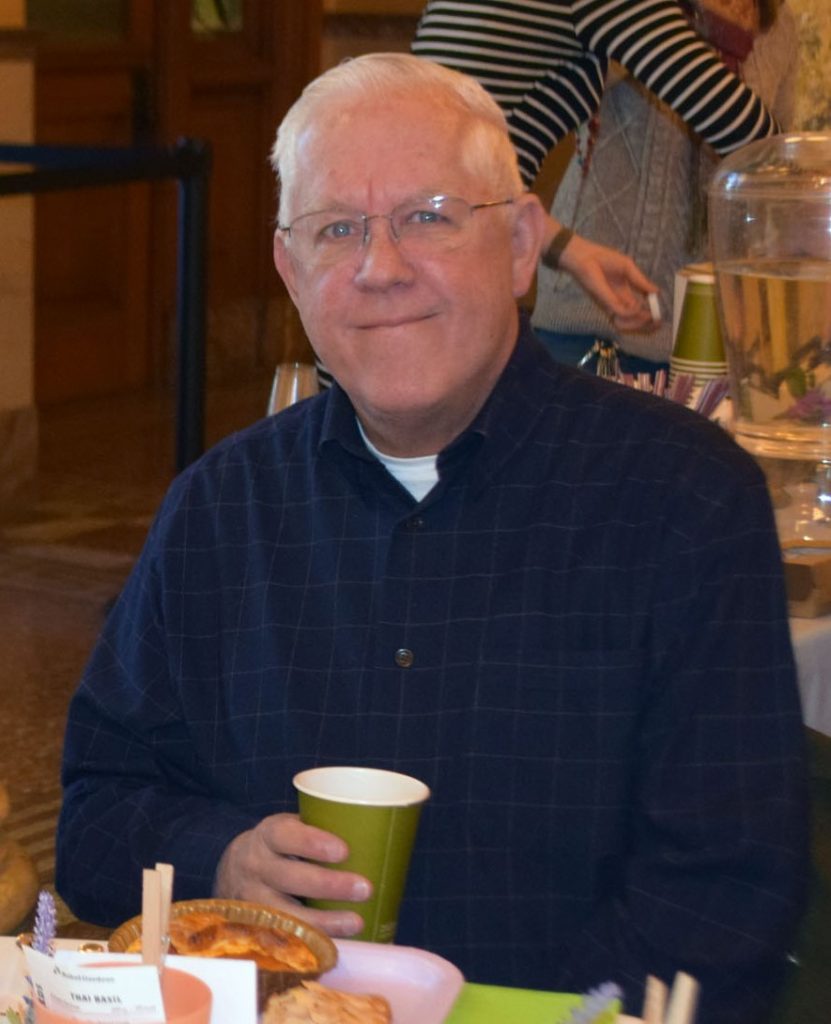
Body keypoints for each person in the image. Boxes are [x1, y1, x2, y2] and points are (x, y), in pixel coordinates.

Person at [56, 52, 808, 1023]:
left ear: (522, 245)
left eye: (428, 216)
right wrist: (222, 860)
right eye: (337, 229)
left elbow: (727, 895)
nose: (381, 268)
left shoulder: (683, 503)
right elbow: (95, 820)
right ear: (290, 271)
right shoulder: (219, 511)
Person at [412, 0, 792, 371]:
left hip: (433, 233)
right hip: (438, 253)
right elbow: (748, 137)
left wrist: (569, 249)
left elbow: (476, 182)